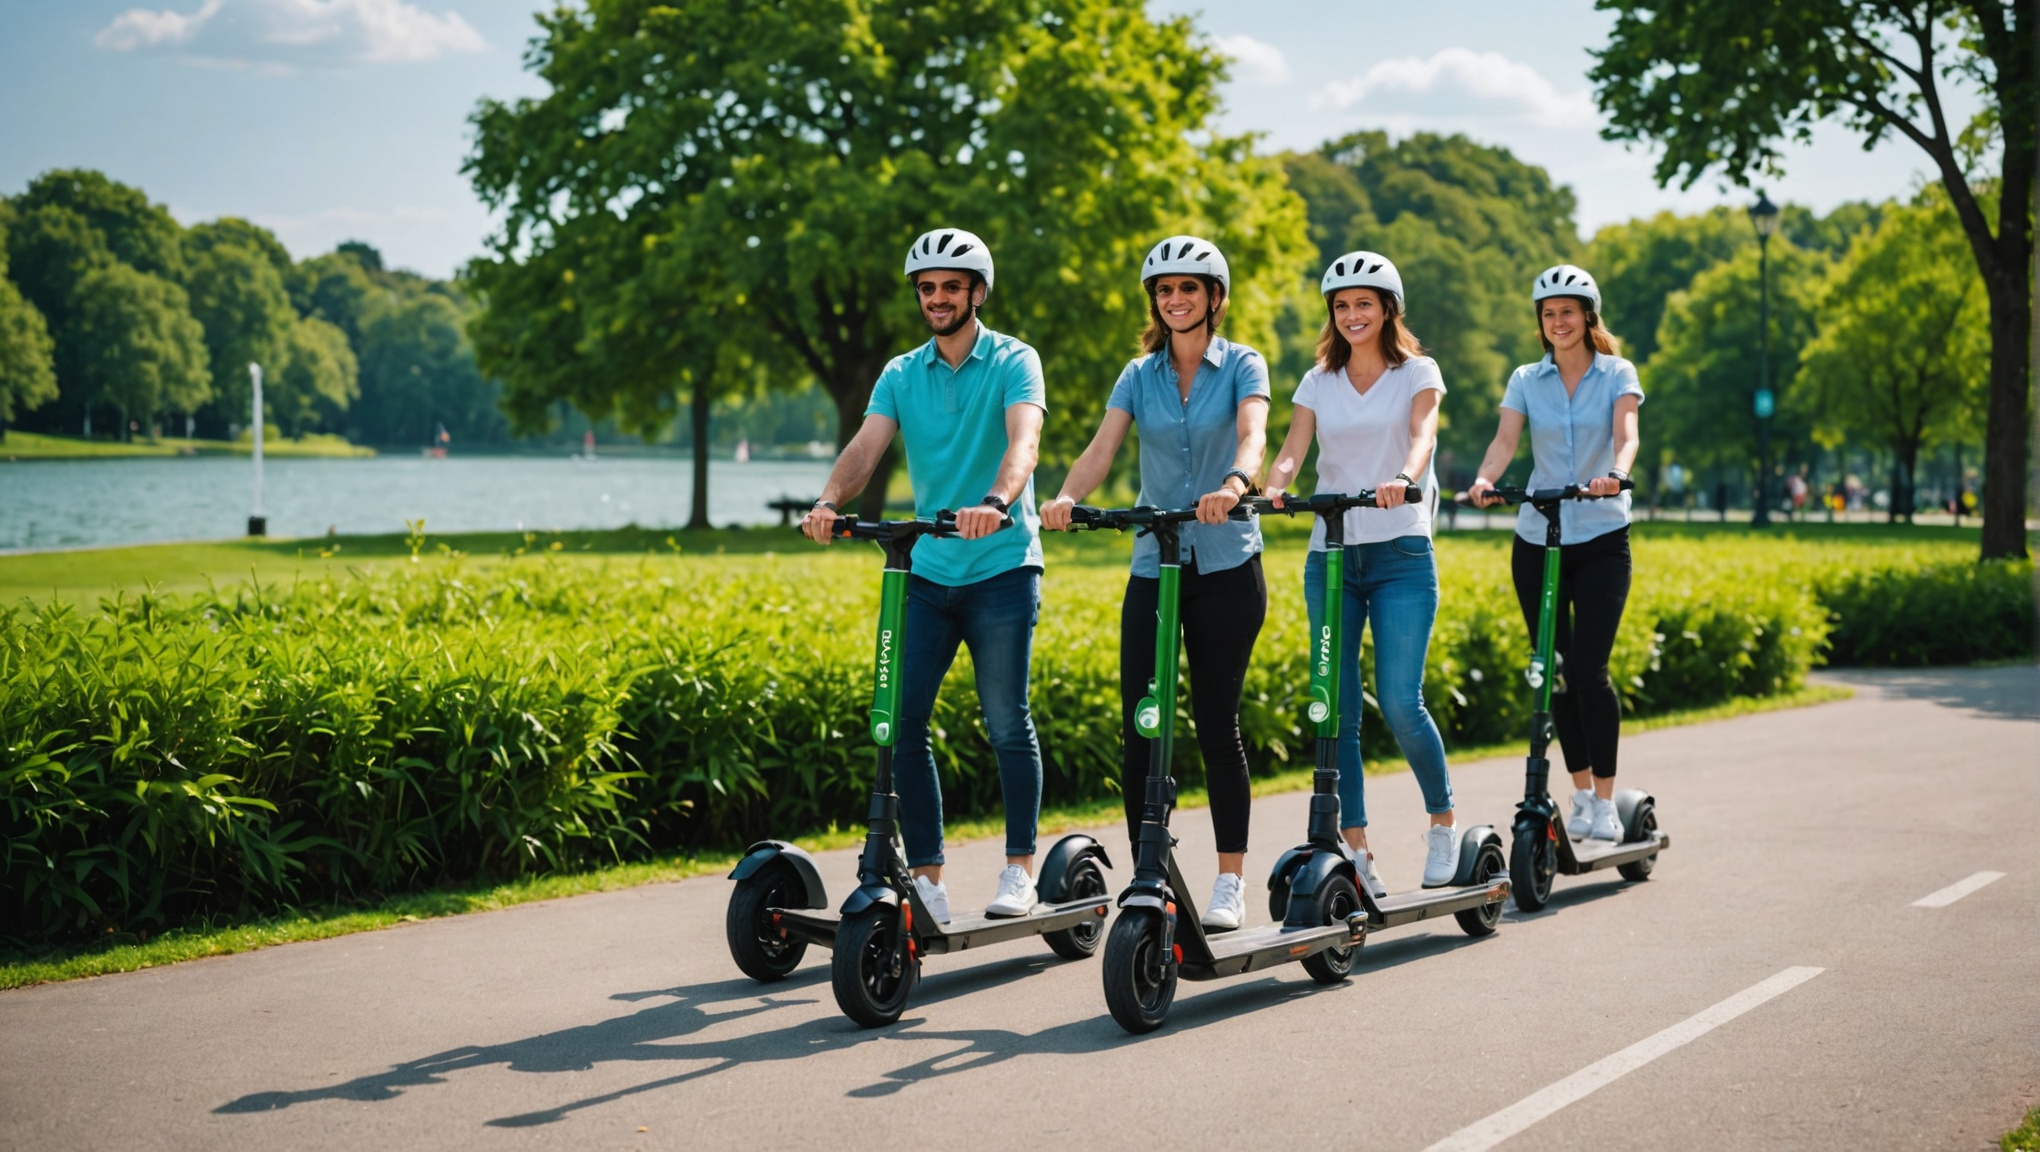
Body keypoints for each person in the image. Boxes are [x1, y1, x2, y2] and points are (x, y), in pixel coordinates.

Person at [800, 227, 1047, 922]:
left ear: (977, 292)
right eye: (927, 288)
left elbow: (1024, 440)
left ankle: (1018, 869)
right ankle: (929, 878)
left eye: (949, 287)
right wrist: (827, 502)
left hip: (1001, 565)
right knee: (901, 720)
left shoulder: (1013, 360)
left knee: (1006, 722)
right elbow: (865, 447)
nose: (936, 298)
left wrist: (996, 503)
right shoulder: (902, 373)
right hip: (929, 570)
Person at [1041, 235, 1270, 930]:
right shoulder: (1137, 375)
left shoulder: (1243, 364)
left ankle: (1230, 878)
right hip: (1154, 563)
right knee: (1140, 724)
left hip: (1228, 565)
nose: (1175, 300)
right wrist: (1066, 498)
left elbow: (1254, 435)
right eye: (1165, 290)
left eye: (1188, 289)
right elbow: (1102, 449)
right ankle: (1150, 867)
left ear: (1214, 298)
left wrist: (1235, 482)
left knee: (1213, 721)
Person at [1263, 250, 1460, 897]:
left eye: (1364, 304)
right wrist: (1274, 487)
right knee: (1336, 710)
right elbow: (1295, 448)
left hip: (1400, 551)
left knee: (1402, 701)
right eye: (1342, 305)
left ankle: (1442, 823)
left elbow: (1422, 433)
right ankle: (1358, 851)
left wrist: (1405, 479)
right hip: (1332, 555)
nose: (1352, 315)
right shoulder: (1319, 379)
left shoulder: (1417, 371)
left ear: (1387, 310)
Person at [1468, 264, 1642, 842]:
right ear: (1540, 324)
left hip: (1600, 539)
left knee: (1590, 670)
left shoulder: (1617, 373)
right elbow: (1506, 439)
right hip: (1539, 539)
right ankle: (1581, 791)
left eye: (1568, 311)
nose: (1558, 321)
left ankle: (1607, 800)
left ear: (1588, 316)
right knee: (1555, 672)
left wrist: (1617, 474)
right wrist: (1486, 478)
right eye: (1548, 314)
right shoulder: (1526, 378)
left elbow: (1627, 433)